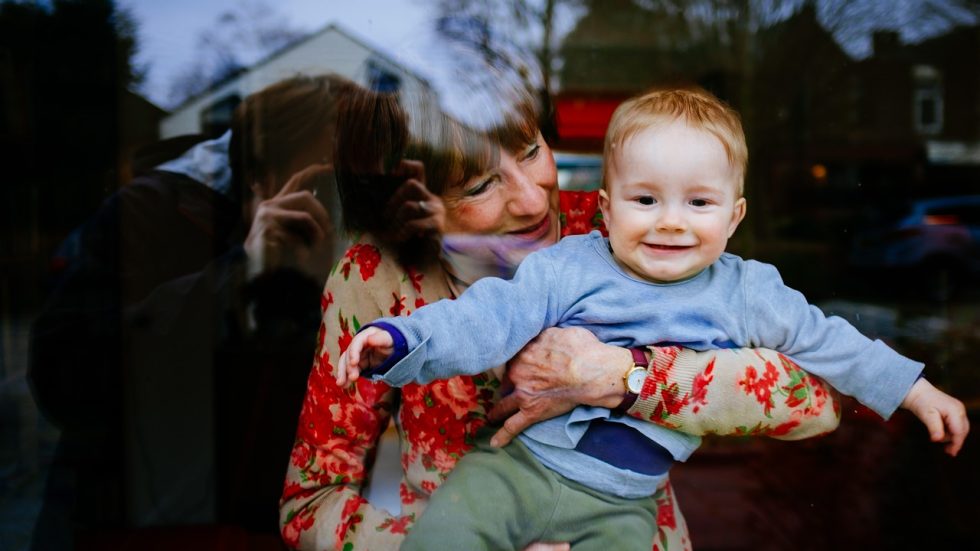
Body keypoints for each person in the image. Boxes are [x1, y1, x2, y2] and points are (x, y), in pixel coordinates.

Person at [338, 87, 970, 550]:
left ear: (736, 216)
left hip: (623, 503)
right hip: (516, 472)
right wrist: (400, 339)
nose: (670, 220)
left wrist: (912, 388)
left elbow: (826, 354)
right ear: (607, 210)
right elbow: (486, 317)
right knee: (444, 536)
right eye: (646, 200)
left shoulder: (748, 291)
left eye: (699, 202)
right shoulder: (571, 264)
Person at [28, 74, 426, 547]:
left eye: (364, 186)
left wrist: (431, 260)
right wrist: (237, 280)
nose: (346, 206)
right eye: (327, 181)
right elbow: (63, 377)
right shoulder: (155, 217)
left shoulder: (370, 256)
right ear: (259, 178)